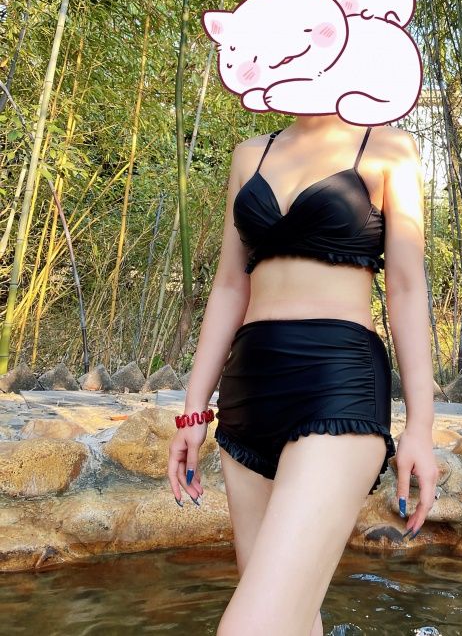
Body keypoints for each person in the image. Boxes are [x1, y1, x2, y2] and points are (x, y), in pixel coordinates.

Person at [168, 115, 438, 636]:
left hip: (339, 383)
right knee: (291, 619)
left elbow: (406, 289)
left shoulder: (388, 148)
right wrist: (194, 410)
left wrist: (420, 426)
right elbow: (229, 286)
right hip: (248, 389)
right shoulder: (251, 153)